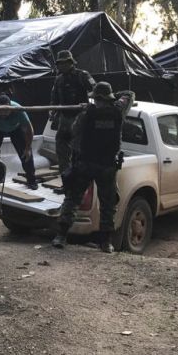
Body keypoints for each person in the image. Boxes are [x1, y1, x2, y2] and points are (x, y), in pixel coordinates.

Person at [51, 82, 135, 253]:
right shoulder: (118, 110)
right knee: (108, 205)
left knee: (73, 199)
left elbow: (74, 133)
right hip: (107, 166)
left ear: (95, 98)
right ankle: (105, 243)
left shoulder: (86, 113)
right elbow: (130, 94)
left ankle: (61, 236)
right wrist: (113, 98)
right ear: (109, 97)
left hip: (85, 164)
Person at [49, 50, 96, 179]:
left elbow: (95, 90)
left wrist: (88, 102)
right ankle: (66, 177)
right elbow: (54, 98)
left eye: (64, 63)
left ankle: (79, 177)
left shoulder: (82, 75)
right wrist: (52, 111)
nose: (61, 66)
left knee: (79, 149)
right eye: (60, 64)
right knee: (61, 146)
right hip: (64, 118)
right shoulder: (58, 79)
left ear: (71, 62)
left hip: (79, 118)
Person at [0, 93, 38, 190]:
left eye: (6, 111)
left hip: (15, 129)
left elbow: (29, 130)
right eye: (0, 111)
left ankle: (32, 180)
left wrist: (27, 148)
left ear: (10, 108)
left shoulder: (19, 110)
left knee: (25, 153)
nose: (3, 114)